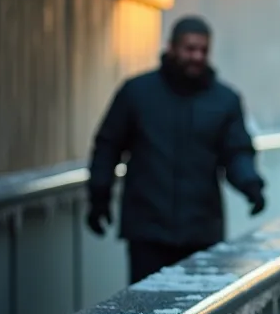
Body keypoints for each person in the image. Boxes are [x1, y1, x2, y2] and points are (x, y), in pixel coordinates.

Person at [86, 16, 266, 284]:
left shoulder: (224, 100)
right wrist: (99, 194)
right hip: (147, 230)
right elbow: (108, 146)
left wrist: (251, 185)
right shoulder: (137, 93)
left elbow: (237, 151)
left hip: (201, 231)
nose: (196, 56)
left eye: (203, 50)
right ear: (171, 47)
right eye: (189, 48)